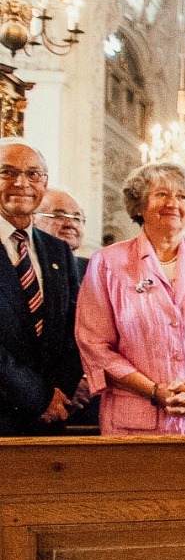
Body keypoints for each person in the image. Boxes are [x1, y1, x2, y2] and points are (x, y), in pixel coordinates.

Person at [77, 159, 185, 434]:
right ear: (140, 205)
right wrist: (155, 391)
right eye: (162, 194)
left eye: (181, 196)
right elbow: (95, 344)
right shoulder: (107, 262)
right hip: (135, 421)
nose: (173, 203)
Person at [0, 139, 82, 435]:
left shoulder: (58, 251)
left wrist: (60, 391)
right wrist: (39, 397)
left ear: (44, 183)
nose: (22, 183)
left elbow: (76, 329)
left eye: (33, 174)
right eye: (7, 172)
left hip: (52, 419)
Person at [32, 187, 88, 275]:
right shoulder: (25, 268)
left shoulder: (92, 270)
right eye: (59, 216)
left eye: (76, 218)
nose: (71, 224)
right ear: (32, 219)